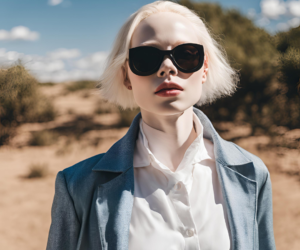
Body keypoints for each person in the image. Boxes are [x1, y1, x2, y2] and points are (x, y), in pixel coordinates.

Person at [46, 1, 276, 250]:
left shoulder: (252, 173)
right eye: (146, 58)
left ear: (205, 67)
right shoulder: (77, 187)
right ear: (126, 76)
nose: (168, 67)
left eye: (186, 55)